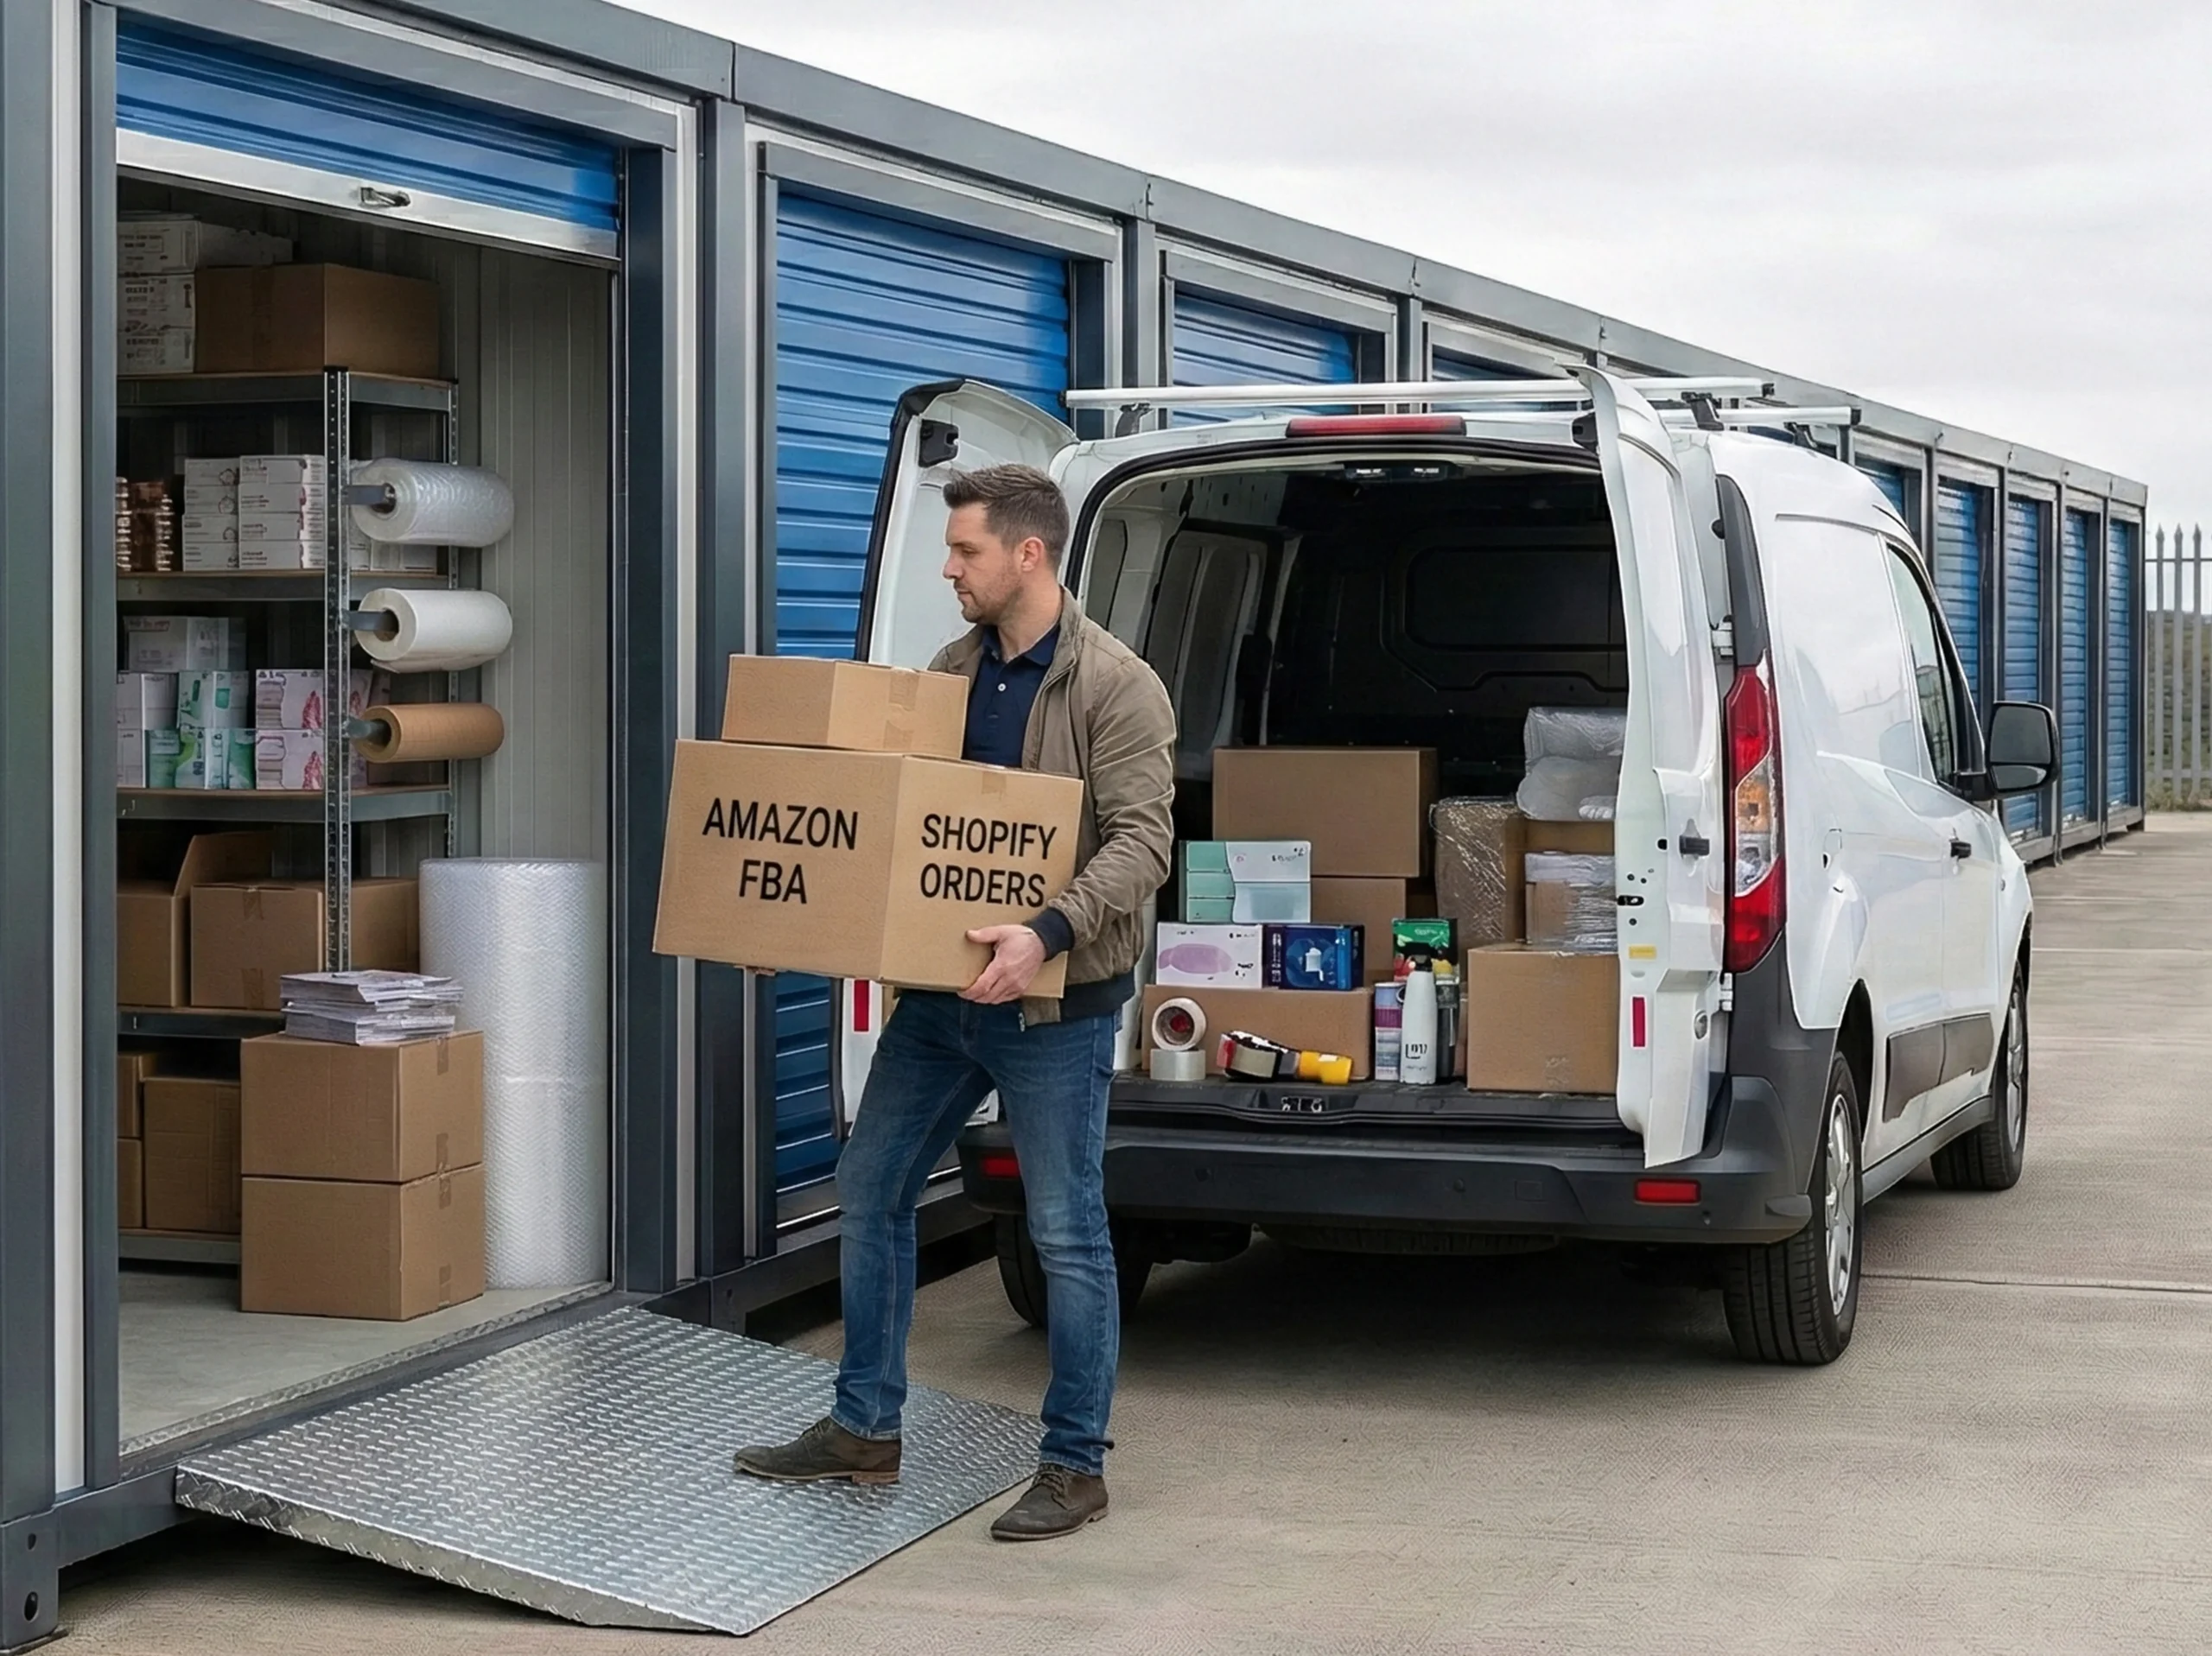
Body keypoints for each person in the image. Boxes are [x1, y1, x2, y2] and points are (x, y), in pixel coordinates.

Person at [734, 462, 1177, 1541]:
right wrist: (788, 923)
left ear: (1029, 553)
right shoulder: (949, 672)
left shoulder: (1115, 685)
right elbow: (898, 830)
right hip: (940, 998)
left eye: (965, 550)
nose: (949, 569)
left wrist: (1045, 933)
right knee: (870, 1187)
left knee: (1068, 1234)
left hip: (1052, 1006)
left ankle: (1075, 1465)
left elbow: (1144, 843)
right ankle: (863, 1431)